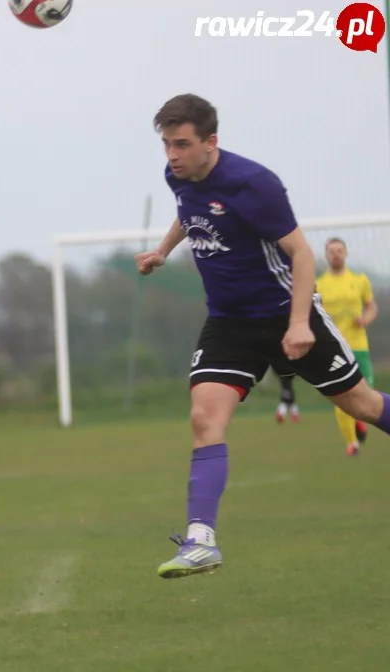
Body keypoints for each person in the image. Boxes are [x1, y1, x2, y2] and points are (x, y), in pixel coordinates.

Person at [135, 93, 390, 579]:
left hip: (285, 312)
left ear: (211, 142)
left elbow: (301, 254)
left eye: (182, 144)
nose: (172, 155)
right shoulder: (178, 175)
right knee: (204, 418)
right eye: (166, 144)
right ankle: (201, 541)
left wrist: (298, 323)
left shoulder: (254, 184)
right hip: (229, 323)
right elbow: (189, 212)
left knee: (361, 405)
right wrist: (163, 250)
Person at [316, 237, 378, 455]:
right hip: (334, 348)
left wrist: (365, 319)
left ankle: (359, 421)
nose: (336, 254)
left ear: (346, 253)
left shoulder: (359, 280)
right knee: (342, 396)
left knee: (366, 393)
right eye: (332, 251)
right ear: (326, 255)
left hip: (358, 345)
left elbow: (371, 307)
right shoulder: (319, 285)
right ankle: (352, 443)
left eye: (339, 250)